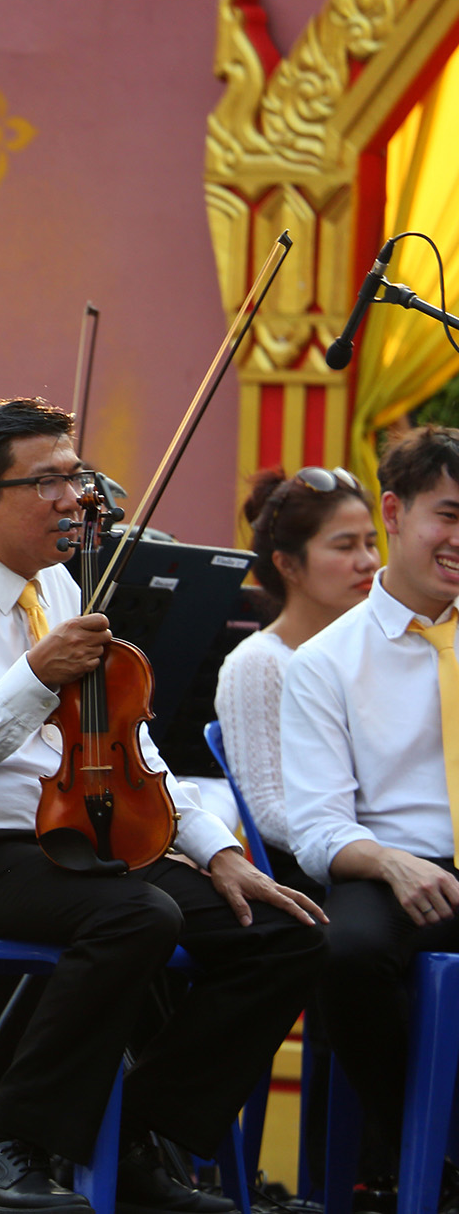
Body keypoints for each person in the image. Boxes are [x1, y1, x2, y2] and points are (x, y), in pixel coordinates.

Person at [0, 397, 326, 1214]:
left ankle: (132, 1139)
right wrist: (33, 677)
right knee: (136, 915)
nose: (74, 498)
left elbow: (127, 744)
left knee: (282, 931)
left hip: (77, 839)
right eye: (47, 482)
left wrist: (216, 850)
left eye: (76, 477)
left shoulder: (58, 584)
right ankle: (5, 1148)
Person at [282, 426, 459, 1171]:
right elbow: (316, 825)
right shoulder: (326, 660)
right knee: (344, 951)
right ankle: (425, 1154)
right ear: (394, 510)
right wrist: (390, 862)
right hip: (396, 867)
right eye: (449, 516)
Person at [213, 467, 378, 896]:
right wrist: (372, 847)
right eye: (345, 545)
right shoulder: (259, 663)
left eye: (371, 542)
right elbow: (269, 811)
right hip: (324, 877)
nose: (368, 561)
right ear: (287, 563)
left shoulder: (383, 647)